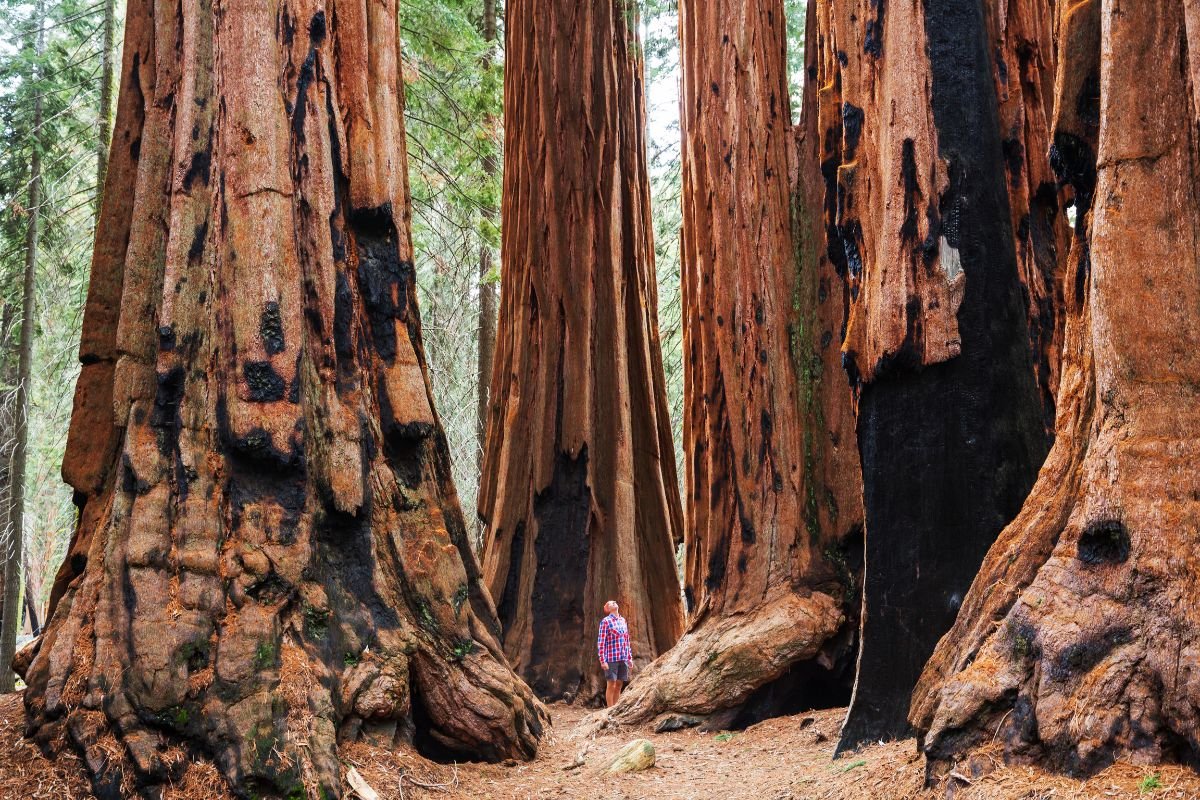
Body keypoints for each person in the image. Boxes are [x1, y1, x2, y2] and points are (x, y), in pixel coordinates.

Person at [597, 600, 632, 707]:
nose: (614, 602)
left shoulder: (623, 620)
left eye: (614, 602)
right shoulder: (605, 621)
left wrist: (629, 658)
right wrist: (602, 660)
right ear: (607, 609)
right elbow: (601, 642)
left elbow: (626, 640)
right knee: (611, 684)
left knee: (619, 684)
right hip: (611, 658)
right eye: (611, 603)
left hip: (623, 657)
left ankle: (615, 708)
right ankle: (609, 710)